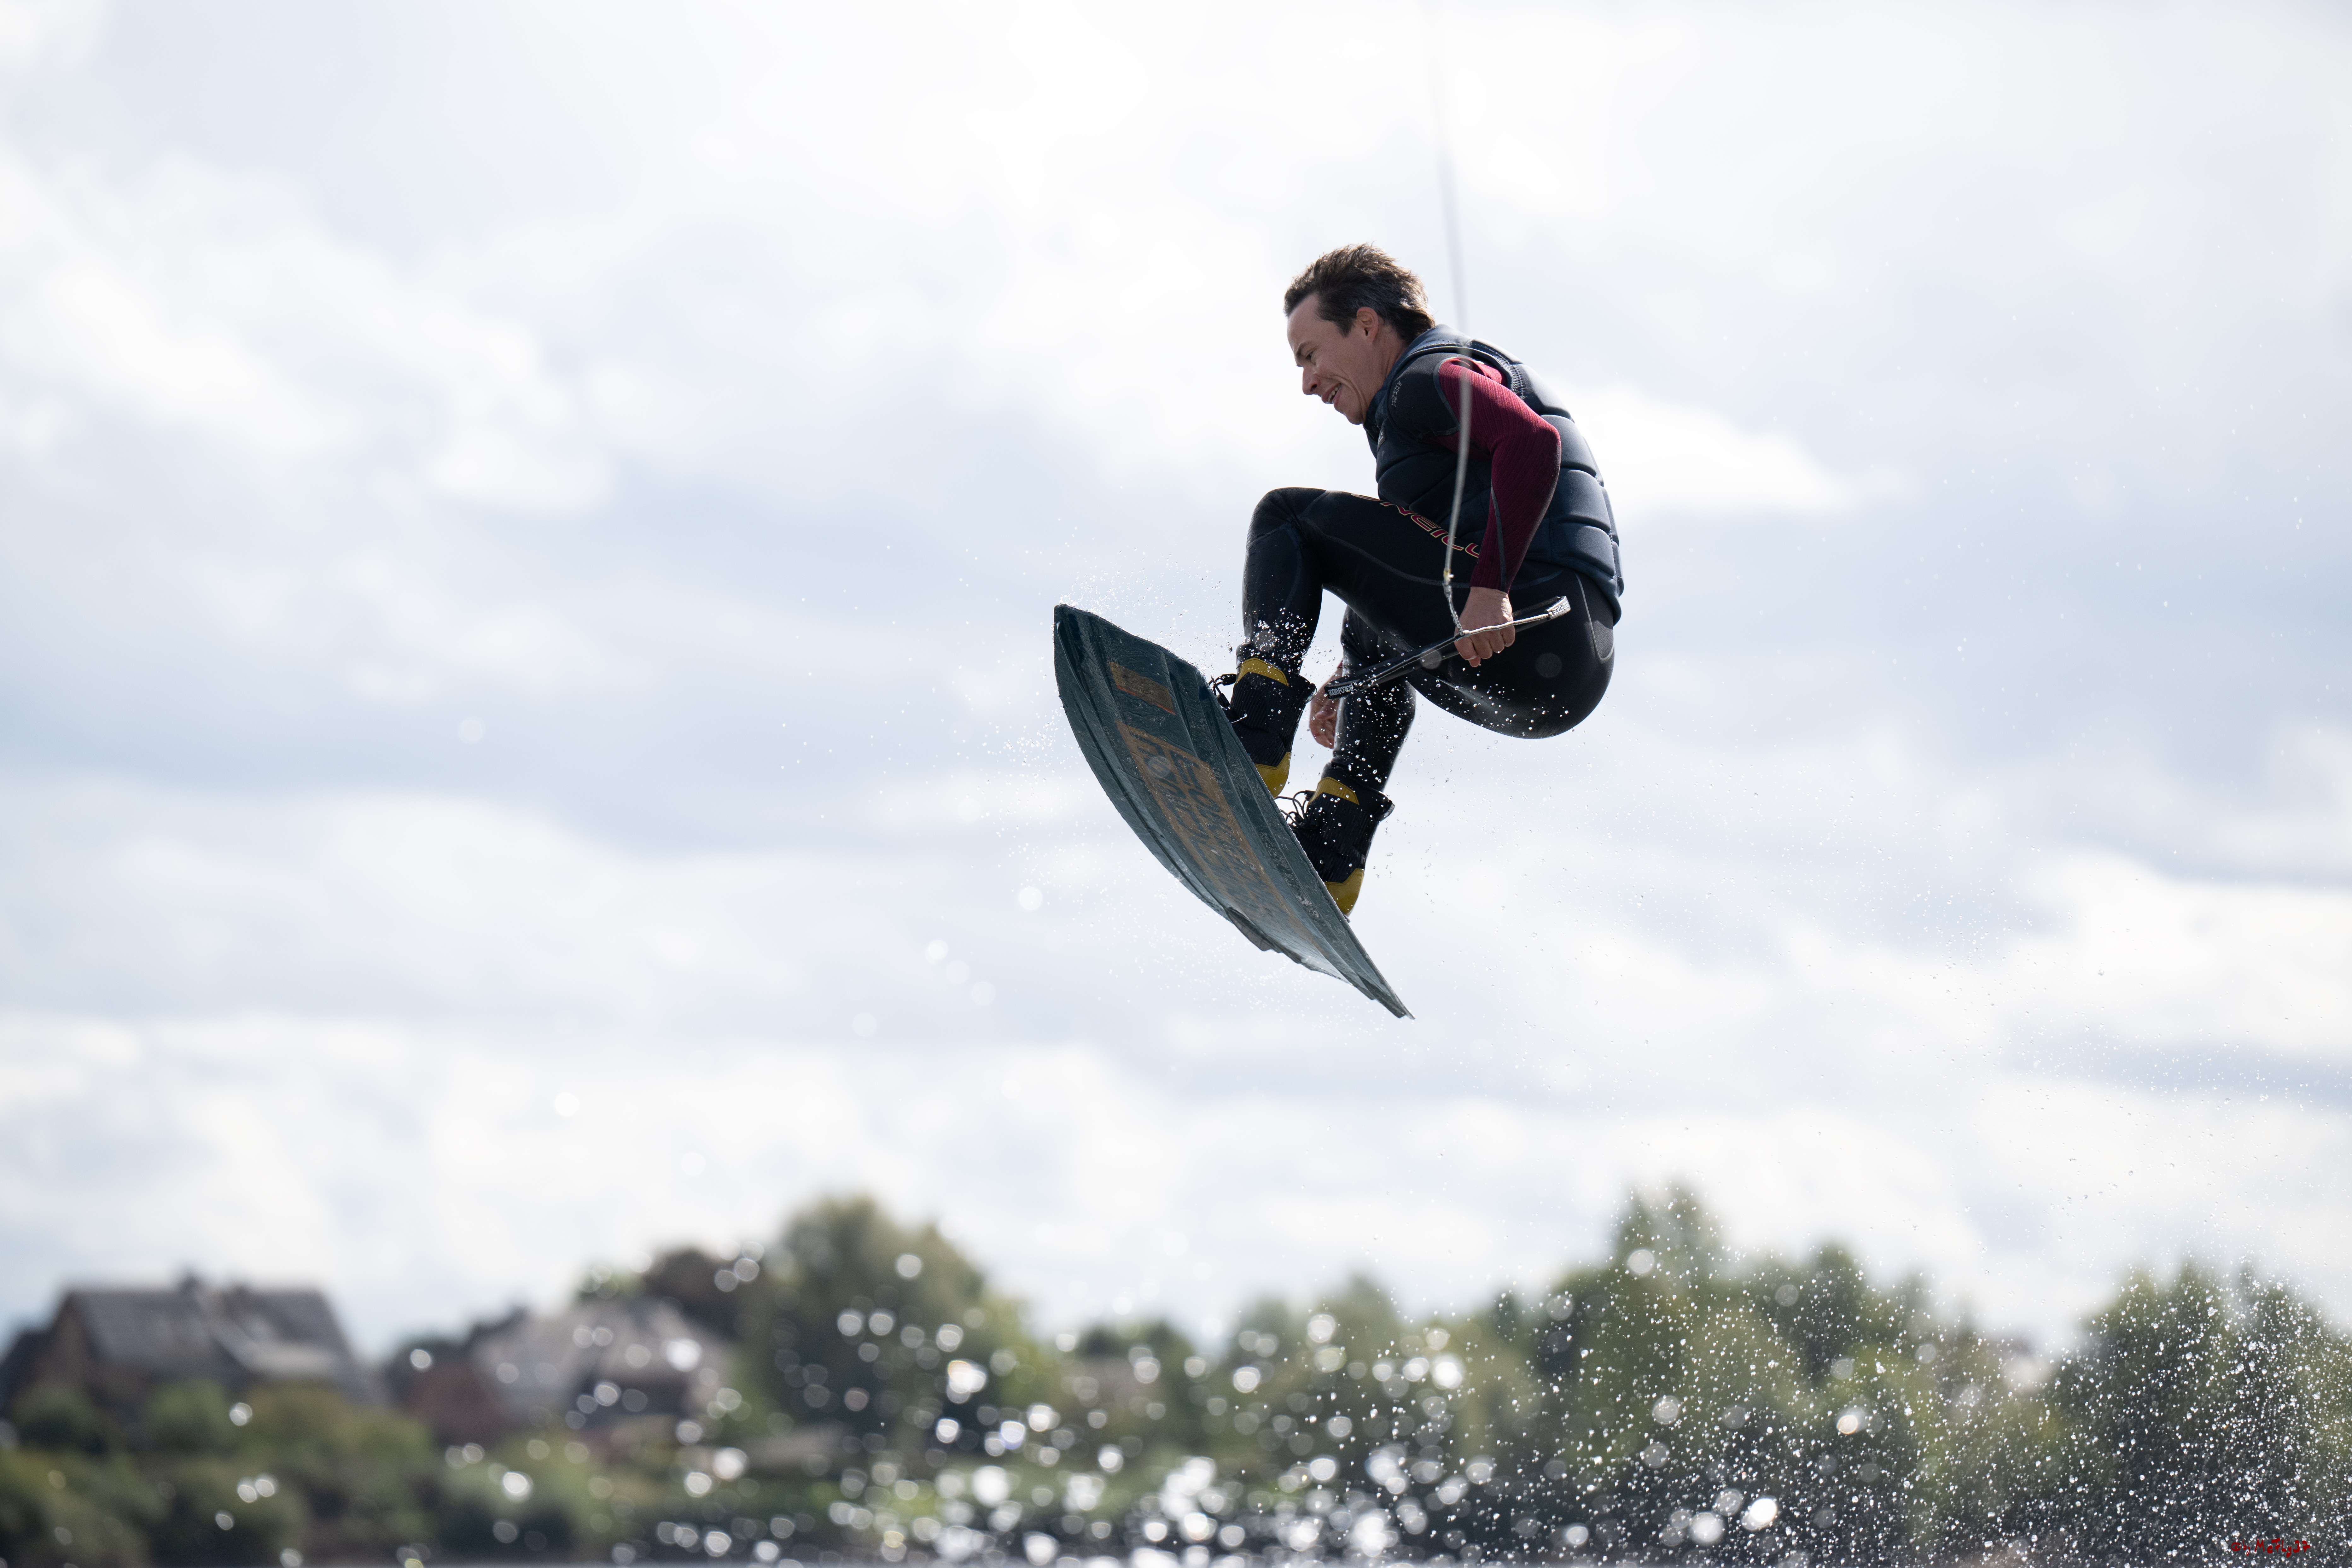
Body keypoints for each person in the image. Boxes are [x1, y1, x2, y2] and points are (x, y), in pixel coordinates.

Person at [1222, 244, 1623, 914]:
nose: (1307, 382)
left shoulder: (1423, 379)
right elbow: (1412, 573)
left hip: (1531, 621)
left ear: (1369, 325)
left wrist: (1490, 591)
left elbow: (1533, 445)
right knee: (1367, 618)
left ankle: (1256, 731)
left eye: (1311, 355)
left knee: (1286, 517)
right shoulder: (1426, 396)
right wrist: (1351, 678)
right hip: (1564, 675)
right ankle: (1335, 845)